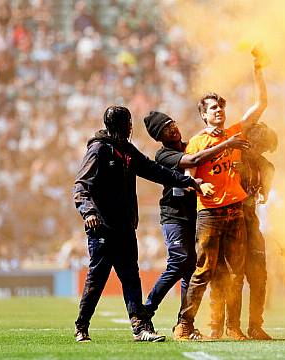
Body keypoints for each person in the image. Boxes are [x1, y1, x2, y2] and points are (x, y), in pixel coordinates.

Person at [73, 106, 202, 343]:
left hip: (124, 228)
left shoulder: (127, 151)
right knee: (97, 278)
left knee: (131, 277)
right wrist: (88, 212)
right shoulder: (99, 149)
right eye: (126, 124)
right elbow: (80, 185)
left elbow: (153, 170)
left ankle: (141, 328)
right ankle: (82, 326)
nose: (129, 128)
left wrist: (185, 180)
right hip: (101, 228)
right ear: (122, 126)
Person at [173, 45, 268, 341]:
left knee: (236, 274)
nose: (220, 111)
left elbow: (261, 104)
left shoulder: (235, 133)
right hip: (210, 215)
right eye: (213, 108)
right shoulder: (197, 143)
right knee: (203, 272)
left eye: (221, 107)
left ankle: (233, 327)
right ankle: (185, 325)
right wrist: (201, 184)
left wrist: (258, 72)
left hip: (235, 212)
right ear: (203, 115)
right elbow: (188, 175)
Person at [142, 111, 249, 325]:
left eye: (172, 123)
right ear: (158, 137)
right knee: (179, 262)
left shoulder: (191, 143)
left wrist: (209, 134)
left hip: (196, 214)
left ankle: (184, 323)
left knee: (191, 269)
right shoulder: (163, 155)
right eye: (165, 129)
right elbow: (195, 159)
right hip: (174, 215)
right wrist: (226, 143)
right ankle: (146, 311)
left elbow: (199, 148)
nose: (172, 129)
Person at [209, 122, 277, 340]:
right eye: (260, 146)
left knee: (259, 276)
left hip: (250, 223)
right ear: (251, 141)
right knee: (227, 276)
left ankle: (255, 325)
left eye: (265, 148)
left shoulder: (266, 167)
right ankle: (221, 325)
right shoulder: (232, 159)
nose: (262, 151)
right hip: (227, 222)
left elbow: (262, 197)